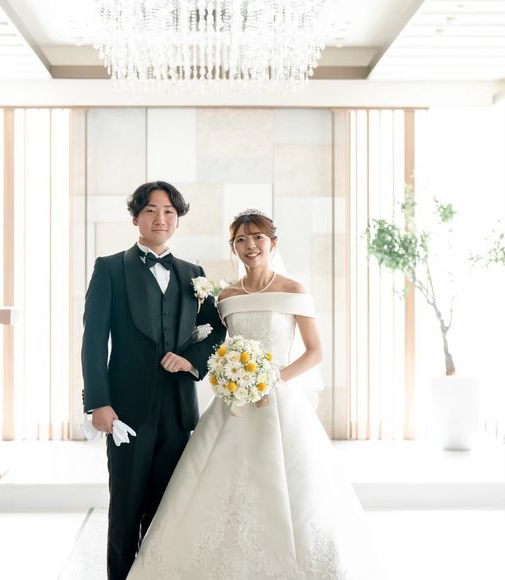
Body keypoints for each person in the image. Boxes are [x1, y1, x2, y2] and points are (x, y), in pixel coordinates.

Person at [126, 209, 376, 579]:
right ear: (234, 248)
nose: (250, 245)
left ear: (273, 243)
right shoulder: (226, 297)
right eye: (241, 240)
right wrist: (224, 372)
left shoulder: (294, 290)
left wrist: (272, 379)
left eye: (257, 237)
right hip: (233, 403)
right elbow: (215, 345)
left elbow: (314, 352)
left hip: (280, 400)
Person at [81, 181, 226, 580]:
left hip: (178, 410)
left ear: (177, 220)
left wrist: (191, 360)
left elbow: (216, 331)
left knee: (167, 509)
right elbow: (93, 340)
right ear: (136, 219)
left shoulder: (193, 274)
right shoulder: (110, 268)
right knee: (126, 507)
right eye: (150, 210)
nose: (160, 218)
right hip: (126, 410)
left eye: (169, 212)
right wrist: (98, 402)